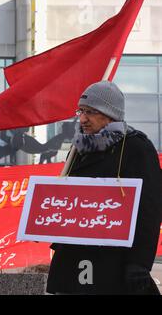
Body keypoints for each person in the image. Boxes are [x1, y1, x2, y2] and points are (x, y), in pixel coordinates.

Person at [46, 80, 162, 295]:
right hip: (75, 258)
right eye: (81, 111)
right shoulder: (80, 148)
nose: (82, 119)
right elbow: (68, 200)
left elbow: (150, 209)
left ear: (109, 114)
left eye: (89, 112)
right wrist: (46, 225)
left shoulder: (136, 147)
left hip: (115, 262)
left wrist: (139, 262)